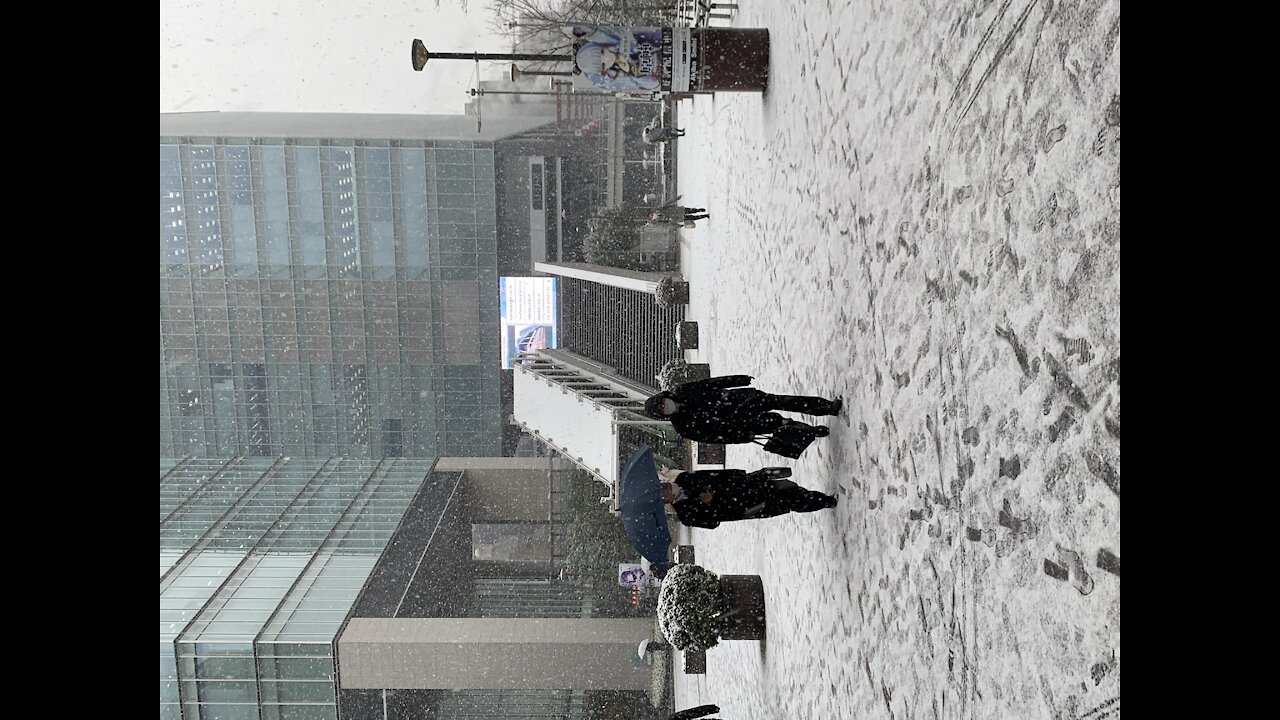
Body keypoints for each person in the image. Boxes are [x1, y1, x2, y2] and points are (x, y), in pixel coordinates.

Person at [643, 375, 842, 449]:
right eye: (661, 409)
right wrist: (742, 436)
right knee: (779, 425)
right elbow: (715, 438)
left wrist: (736, 380)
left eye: (662, 402)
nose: (665, 406)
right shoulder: (683, 427)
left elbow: (710, 383)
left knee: (782, 401)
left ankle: (825, 407)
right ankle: (811, 432)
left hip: (740, 400)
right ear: (663, 416)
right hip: (740, 424)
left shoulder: (683, 391)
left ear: (664, 396)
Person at [659, 466, 837, 529]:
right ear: (666, 501)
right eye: (663, 491)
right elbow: (712, 523)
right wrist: (709, 504)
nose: (666, 487)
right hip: (743, 506)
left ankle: (816, 498)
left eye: (663, 485)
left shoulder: (683, 478)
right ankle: (824, 501)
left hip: (743, 485)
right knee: (787, 502)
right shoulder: (685, 515)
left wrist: (739, 475)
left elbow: (713, 475)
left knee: (786, 487)